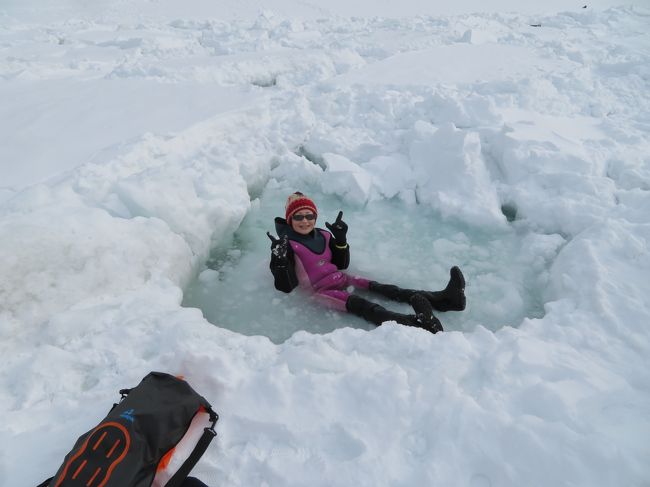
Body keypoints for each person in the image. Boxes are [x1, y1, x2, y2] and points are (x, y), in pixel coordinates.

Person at [267, 192, 466, 333]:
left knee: (382, 288)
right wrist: (280, 261)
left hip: (341, 278)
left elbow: (341, 263)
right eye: (298, 217)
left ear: (315, 216)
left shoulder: (324, 235)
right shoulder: (287, 246)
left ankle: (444, 299)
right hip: (320, 292)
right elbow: (286, 287)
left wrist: (341, 241)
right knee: (364, 305)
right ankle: (413, 324)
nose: (305, 220)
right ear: (290, 220)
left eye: (309, 215)